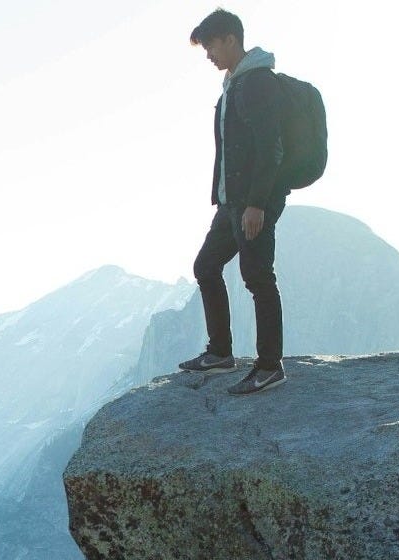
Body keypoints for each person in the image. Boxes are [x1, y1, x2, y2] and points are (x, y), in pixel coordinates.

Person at [178, 9, 289, 395]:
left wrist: (257, 203)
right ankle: (221, 353)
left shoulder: (257, 82)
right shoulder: (233, 84)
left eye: (210, 45)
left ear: (229, 39)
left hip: (252, 203)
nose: (208, 54)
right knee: (206, 266)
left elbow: (269, 149)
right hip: (231, 204)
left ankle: (270, 366)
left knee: (258, 278)